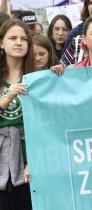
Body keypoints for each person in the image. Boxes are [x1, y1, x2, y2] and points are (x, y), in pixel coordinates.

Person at [0, 20, 35, 210]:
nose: (19, 42)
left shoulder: (38, 78)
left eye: (24, 39)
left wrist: (35, 161)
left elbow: (46, 124)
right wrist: (6, 98)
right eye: (12, 38)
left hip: (28, 160)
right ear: (1, 43)